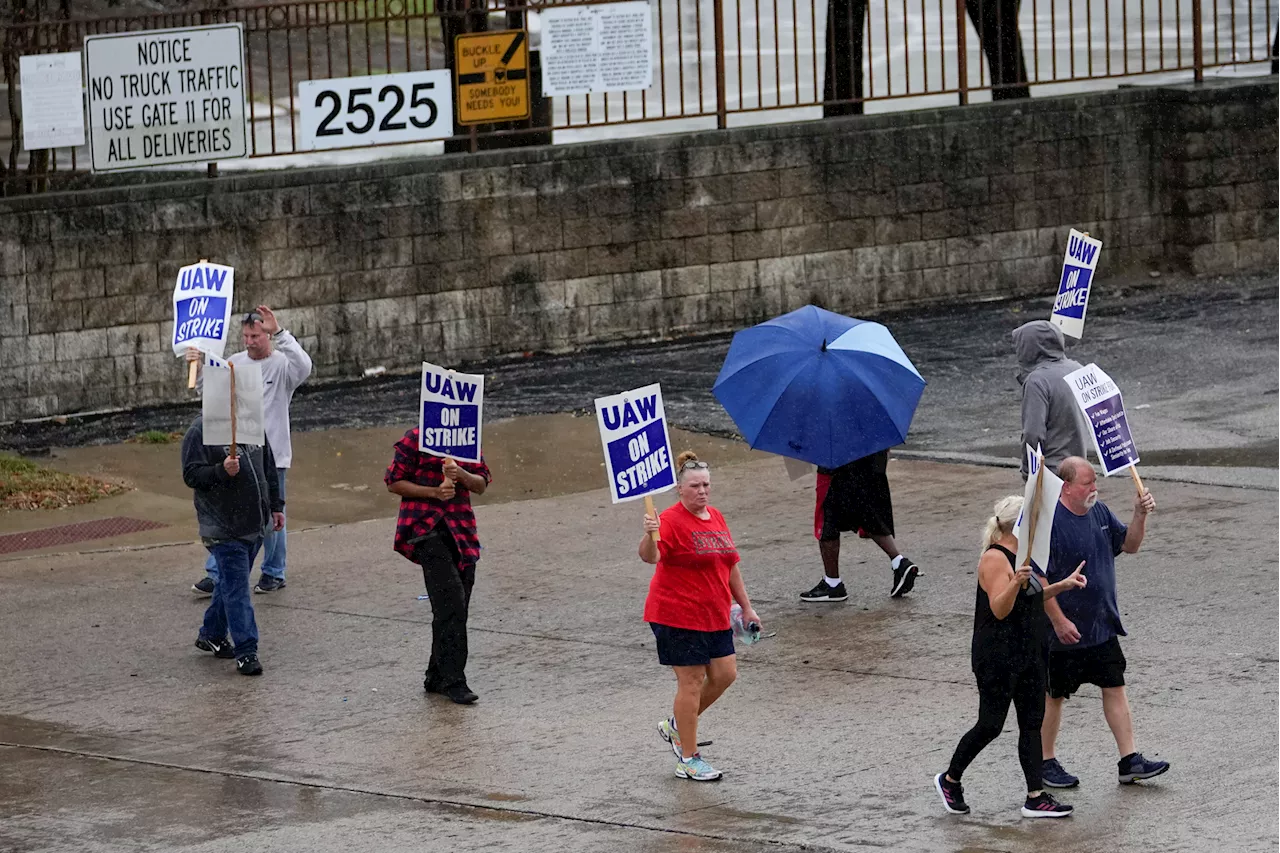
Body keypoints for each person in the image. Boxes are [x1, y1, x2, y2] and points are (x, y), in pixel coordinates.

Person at [936, 494, 1087, 819]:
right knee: (990, 724)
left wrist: (1061, 585)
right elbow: (1000, 608)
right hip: (997, 655)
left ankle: (1035, 797)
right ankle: (950, 779)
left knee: (1031, 723)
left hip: (1027, 651)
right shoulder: (995, 558)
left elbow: (1028, 599)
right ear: (1019, 524)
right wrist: (1016, 582)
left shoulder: (1024, 554)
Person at [1039, 457, 1170, 788]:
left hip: (1101, 625)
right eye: (1087, 483)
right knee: (1053, 695)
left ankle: (1129, 760)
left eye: (1094, 481)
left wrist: (1140, 515)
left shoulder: (1099, 512)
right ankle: (1045, 761)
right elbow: (1038, 579)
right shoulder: (1049, 523)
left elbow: (1131, 545)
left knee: (1114, 686)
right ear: (1066, 487)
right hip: (1063, 632)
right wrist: (1057, 620)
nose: (1094, 488)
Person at [640, 451, 762, 782]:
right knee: (691, 681)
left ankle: (677, 726)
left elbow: (730, 564)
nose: (702, 491)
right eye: (695, 486)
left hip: (714, 612)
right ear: (680, 489)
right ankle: (689, 758)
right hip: (676, 614)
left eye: (706, 484)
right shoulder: (669, 519)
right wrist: (649, 533)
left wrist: (746, 607)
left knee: (725, 674)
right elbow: (651, 556)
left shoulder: (717, 517)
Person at [189, 306, 312, 596]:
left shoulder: (282, 365)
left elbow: (304, 366)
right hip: (238, 451)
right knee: (229, 514)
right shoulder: (234, 362)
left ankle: (273, 571)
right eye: (245, 336)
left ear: (266, 335)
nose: (249, 341)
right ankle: (217, 572)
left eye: (255, 335)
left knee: (271, 517)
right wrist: (197, 363)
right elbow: (209, 392)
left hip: (273, 454)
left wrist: (281, 333)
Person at [384, 430, 491, 705]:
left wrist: (460, 475)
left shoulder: (467, 438)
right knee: (451, 600)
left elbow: (481, 483)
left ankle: (436, 674)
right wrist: (433, 492)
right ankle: (454, 680)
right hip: (424, 528)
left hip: (461, 530)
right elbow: (394, 481)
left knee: (457, 604)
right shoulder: (414, 439)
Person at [182, 414, 284, 677]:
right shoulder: (200, 430)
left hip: (254, 525)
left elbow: (268, 467)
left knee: (230, 583)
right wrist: (220, 470)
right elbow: (191, 474)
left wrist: (276, 505)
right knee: (238, 589)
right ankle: (247, 651)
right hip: (223, 529)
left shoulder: (251, 423)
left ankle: (211, 634)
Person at [799, 448, 920, 601]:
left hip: (838, 459)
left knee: (827, 518)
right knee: (867, 512)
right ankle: (899, 562)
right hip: (872, 454)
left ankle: (833, 583)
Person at [1013, 319, 1087, 482]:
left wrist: (1028, 472)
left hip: (1052, 473)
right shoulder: (1078, 368)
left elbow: (1033, 434)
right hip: (1080, 469)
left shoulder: (1037, 381)